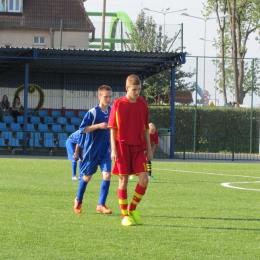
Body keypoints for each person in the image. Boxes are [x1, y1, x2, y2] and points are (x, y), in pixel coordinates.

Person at [108, 74, 152, 227]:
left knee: (144, 179)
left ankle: (132, 209)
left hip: (139, 147)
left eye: (139, 90)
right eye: (134, 90)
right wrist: (113, 149)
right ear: (127, 88)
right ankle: (124, 215)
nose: (137, 93)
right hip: (122, 146)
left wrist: (149, 148)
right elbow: (112, 128)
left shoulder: (143, 103)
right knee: (123, 180)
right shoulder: (118, 104)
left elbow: (146, 128)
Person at [74, 85, 113, 215]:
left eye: (110, 96)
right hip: (92, 151)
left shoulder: (112, 111)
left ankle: (101, 204)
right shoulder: (93, 112)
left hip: (105, 151)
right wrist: (98, 126)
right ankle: (78, 200)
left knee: (107, 174)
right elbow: (82, 129)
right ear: (99, 97)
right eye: (106, 96)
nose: (108, 99)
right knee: (87, 177)